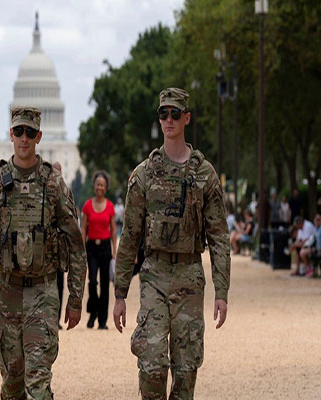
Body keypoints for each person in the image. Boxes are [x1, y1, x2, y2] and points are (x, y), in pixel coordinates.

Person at [112, 88, 230, 399]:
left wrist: (222, 291)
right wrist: (120, 293)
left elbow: (219, 236)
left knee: (186, 368)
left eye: (175, 114)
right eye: (163, 113)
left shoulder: (204, 174)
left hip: (189, 274)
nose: (169, 119)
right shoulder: (144, 174)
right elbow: (130, 236)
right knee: (151, 364)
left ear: (186, 118)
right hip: (154, 273)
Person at [0, 106, 87, 399]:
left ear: (39, 136)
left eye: (30, 132)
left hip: (43, 292)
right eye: (19, 131)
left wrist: (75, 298)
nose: (24, 138)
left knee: (38, 383)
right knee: (12, 383)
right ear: (11, 134)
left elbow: (75, 245)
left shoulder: (53, 184)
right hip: (8, 293)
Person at [81, 171, 117, 329]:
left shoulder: (110, 206)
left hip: (105, 248)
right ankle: (93, 312)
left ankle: (102, 320)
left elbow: (114, 230)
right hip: (91, 249)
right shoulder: (87, 205)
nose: (99, 187)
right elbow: (83, 228)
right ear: (94, 186)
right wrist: (82, 248)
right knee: (92, 281)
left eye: (102, 185)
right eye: (97, 184)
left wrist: (114, 251)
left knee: (104, 285)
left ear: (106, 187)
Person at [52, 160, 65, 329]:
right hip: (46, 248)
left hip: (60, 249)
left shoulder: (65, 194)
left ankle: (57, 319)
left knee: (60, 285)